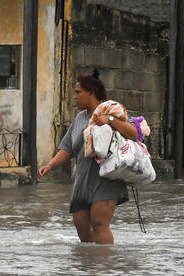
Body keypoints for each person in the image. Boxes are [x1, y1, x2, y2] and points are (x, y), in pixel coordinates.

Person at [38, 69, 138, 244]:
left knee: (99, 223)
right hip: (82, 181)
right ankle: (90, 264)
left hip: (106, 180)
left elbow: (133, 133)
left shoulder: (112, 110)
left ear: (91, 92)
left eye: (78, 92)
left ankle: (104, 266)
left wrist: (111, 121)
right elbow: (68, 148)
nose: (75, 97)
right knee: (81, 226)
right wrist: (50, 165)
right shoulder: (80, 118)